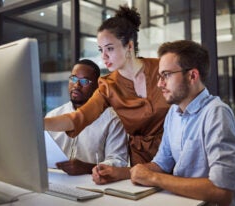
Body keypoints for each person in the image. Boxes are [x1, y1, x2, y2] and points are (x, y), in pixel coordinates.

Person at [44, 5, 169, 181]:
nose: (104, 57)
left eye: (110, 48)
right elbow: (78, 118)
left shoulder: (162, 69)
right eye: (101, 50)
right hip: (140, 164)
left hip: (175, 153)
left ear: (129, 46)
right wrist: (38, 122)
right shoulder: (108, 85)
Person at [129, 40, 235, 206]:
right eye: (159, 76)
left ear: (192, 76)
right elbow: (162, 164)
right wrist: (119, 173)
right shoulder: (173, 113)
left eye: (166, 75)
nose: (159, 84)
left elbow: (222, 191)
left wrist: (153, 178)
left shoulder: (216, 113)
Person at [45, 59, 128, 175]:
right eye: (73, 79)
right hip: (54, 179)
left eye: (84, 81)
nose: (77, 85)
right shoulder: (53, 115)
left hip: (92, 183)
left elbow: (119, 162)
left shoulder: (112, 120)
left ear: (97, 86)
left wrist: (87, 168)